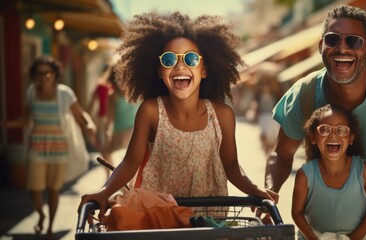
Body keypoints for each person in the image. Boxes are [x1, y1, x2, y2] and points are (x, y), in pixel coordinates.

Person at [79, 11, 278, 223]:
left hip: (208, 217)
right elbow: (130, 162)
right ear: (158, 70)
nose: (180, 66)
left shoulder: (222, 115)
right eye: (169, 59)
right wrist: (103, 192)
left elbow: (231, 165)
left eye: (191, 59)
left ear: (204, 70)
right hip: (159, 218)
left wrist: (255, 189)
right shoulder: (151, 111)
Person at [265, 5, 366, 239]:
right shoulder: (305, 92)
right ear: (320, 46)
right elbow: (281, 154)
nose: (342, 48)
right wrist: (269, 193)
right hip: (325, 222)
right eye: (333, 39)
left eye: (354, 41)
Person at [1, 55, 96, 239]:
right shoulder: (31, 92)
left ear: (54, 74)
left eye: (48, 73)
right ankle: (41, 214)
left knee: (53, 189)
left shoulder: (64, 93)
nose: (44, 76)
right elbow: (26, 119)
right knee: (34, 188)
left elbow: (80, 113)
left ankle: (50, 226)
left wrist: (89, 124)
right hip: (37, 145)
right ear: (34, 75)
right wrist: (8, 124)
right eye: (40, 73)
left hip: (59, 147)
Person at [292, 104, 366, 240]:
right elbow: (297, 213)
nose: (333, 135)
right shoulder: (305, 176)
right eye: (325, 129)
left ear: (351, 138)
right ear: (313, 138)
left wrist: (355, 237)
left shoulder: (364, 171)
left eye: (341, 130)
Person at [101, 66, 139, 178]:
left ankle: (123, 182)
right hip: (120, 132)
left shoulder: (136, 93)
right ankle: (112, 177)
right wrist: (107, 133)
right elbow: (109, 117)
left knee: (129, 161)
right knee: (110, 155)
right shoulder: (113, 96)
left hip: (133, 131)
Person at [87, 65, 114, 151]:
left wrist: (89, 117)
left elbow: (92, 103)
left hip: (103, 116)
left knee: (104, 145)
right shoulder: (115, 88)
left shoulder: (100, 86)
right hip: (111, 118)